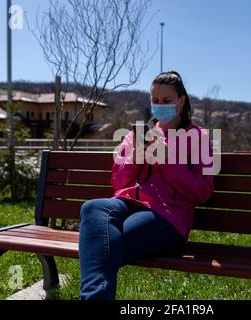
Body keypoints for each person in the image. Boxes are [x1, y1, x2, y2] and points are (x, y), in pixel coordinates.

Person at [78, 71, 214, 300]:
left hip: (167, 215)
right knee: (92, 208)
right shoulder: (136, 135)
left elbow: (203, 192)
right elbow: (117, 182)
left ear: (181, 101)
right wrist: (135, 157)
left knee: (106, 244)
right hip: (128, 202)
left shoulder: (199, 137)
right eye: (155, 101)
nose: (160, 106)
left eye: (167, 101)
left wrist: (167, 159)